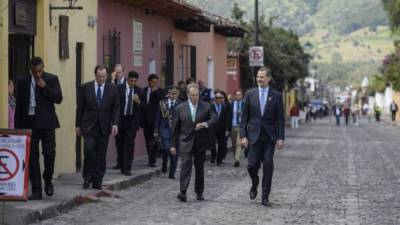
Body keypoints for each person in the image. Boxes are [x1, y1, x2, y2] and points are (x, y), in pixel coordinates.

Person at [15, 57, 63, 200]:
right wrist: (18, 129)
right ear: (30, 70)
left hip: (47, 123)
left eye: (40, 71)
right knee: (32, 158)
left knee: (49, 154)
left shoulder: (52, 79)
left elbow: (59, 98)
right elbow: (19, 107)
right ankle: (36, 189)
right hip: (29, 123)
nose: (37, 75)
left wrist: (45, 87)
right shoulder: (23, 82)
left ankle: (47, 179)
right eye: (35, 72)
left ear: (44, 68)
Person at [240, 67, 285, 207]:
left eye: (262, 77)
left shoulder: (276, 96)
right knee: (251, 165)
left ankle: (265, 196)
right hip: (253, 136)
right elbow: (244, 117)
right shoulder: (250, 94)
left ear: (268, 79)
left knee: (268, 164)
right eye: (258, 77)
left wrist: (280, 137)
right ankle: (255, 182)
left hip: (269, 137)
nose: (259, 79)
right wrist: (243, 136)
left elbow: (280, 119)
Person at [171, 83, 217, 202]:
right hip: (185, 141)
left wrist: (205, 124)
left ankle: (199, 192)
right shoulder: (180, 108)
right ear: (187, 95)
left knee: (199, 167)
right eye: (192, 95)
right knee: (185, 165)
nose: (195, 97)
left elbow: (214, 118)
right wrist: (173, 145)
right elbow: (175, 128)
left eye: (197, 95)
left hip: (200, 142)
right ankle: (183, 191)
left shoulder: (207, 106)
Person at [76, 65, 120, 190]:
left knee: (101, 154)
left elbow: (116, 107)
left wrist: (115, 124)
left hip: (104, 126)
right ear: (95, 75)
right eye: (99, 76)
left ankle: (98, 179)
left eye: (103, 76)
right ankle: (87, 176)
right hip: (89, 126)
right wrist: (78, 125)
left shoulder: (112, 88)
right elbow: (80, 108)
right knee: (89, 151)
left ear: (106, 76)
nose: (101, 79)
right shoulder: (86, 87)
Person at [115, 71, 142, 176]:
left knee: (129, 145)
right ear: (128, 79)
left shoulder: (139, 91)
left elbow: (144, 106)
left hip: (132, 121)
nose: (133, 83)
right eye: (131, 81)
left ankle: (128, 168)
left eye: (135, 81)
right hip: (121, 120)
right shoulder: (119, 88)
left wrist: (138, 102)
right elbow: (115, 104)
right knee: (120, 144)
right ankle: (122, 165)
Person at [154, 86, 181, 178]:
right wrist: (156, 130)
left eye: (175, 93)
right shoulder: (162, 103)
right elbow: (157, 118)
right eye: (171, 93)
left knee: (174, 153)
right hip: (164, 130)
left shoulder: (181, 104)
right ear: (168, 94)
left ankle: (172, 173)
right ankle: (164, 161)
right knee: (166, 148)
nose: (173, 95)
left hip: (176, 132)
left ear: (178, 94)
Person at [141, 74, 166, 167]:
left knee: (155, 140)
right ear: (149, 82)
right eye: (153, 82)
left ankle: (154, 156)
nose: (155, 84)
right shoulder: (143, 90)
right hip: (146, 121)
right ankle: (151, 159)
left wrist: (155, 92)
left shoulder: (160, 91)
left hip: (156, 121)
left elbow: (163, 100)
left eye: (156, 82)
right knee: (148, 140)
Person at [211, 90, 229, 166]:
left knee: (222, 145)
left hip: (221, 129)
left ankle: (219, 160)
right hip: (212, 129)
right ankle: (213, 157)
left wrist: (227, 129)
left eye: (220, 97)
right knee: (212, 144)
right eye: (217, 97)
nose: (219, 99)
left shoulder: (224, 107)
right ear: (215, 98)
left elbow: (227, 119)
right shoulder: (210, 106)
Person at [227, 89, 245, 167]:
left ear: (242, 96)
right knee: (234, 144)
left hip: (241, 127)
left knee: (238, 144)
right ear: (235, 96)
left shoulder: (245, 104)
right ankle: (235, 158)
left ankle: (237, 159)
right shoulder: (231, 104)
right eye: (236, 95)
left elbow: (248, 115)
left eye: (239, 95)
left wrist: (242, 114)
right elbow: (227, 117)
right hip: (233, 126)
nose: (238, 96)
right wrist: (227, 129)